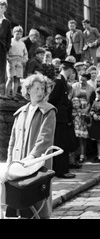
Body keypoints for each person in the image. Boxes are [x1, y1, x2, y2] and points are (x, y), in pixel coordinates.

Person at [6, 74, 56, 218]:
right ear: (28, 90)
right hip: (18, 164)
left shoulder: (48, 110)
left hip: (36, 163)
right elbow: (12, 141)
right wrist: (10, 162)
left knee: (38, 201)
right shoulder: (20, 112)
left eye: (42, 88)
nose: (40, 92)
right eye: (36, 88)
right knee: (18, 200)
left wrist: (31, 158)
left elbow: (45, 139)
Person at [48, 60, 77, 179]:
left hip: (62, 118)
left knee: (63, 144)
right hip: (59, 118)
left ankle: (61, 169)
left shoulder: (62, 81)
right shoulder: (59, 82)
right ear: (69, 70)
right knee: (61, 145)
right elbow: (53, 100)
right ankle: (61, 170)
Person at [71, 71, 94, 162]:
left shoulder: (91, 88)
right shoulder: (74, 87)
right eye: (80, 80)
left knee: (83, 136)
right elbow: (71, 99)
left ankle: (83, 154)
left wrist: (86, 110)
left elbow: (91, 102)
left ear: (87, 80)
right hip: (76, 112)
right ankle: (76, 153)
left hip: (85, 113)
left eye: (84, 80)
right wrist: (76, 109)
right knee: (76, 135)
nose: (82, 82)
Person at [6, 25, 28, 101]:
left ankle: (14, 95)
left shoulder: (22, 44)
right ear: (13, 33)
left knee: (17, 79)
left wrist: (24, 60)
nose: (19, 35)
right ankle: (6, 93)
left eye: (20, 34)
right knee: (10, 77)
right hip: (12, 59)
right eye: (17, 34)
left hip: (19, 61)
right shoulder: (10, 41)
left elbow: (25, 53)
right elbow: (6, 50)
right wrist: (8, 57)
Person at [89, 86, 100, 163]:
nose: (96, 95)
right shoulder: (96, 102)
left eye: (97, 94)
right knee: (98, 140)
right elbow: (92, 110)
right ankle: (99, 155)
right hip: (97, 123)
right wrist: (93, 115)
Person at [0, 0, 12, 99]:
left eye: (2, 7)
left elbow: (8, 38)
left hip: (2, 48)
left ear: (5, 9)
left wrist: (7, 50)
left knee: (1, 69)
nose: (0, 8)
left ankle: (1, 91)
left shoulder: (6, 22)